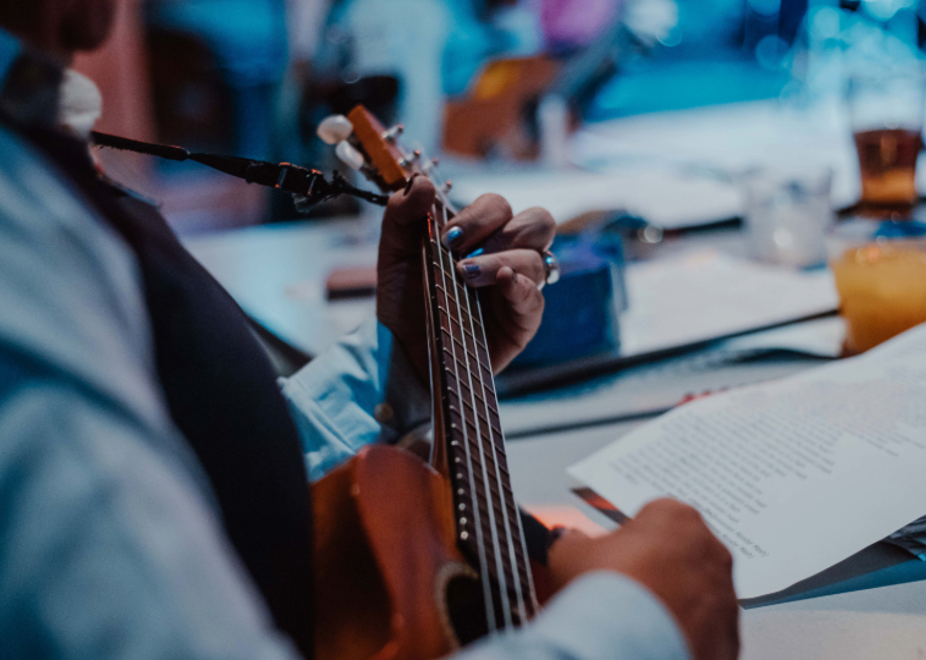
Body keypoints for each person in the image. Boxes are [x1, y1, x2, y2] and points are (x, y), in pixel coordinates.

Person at [0, 2, 739, 660]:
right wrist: (638, 626)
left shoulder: (35, 146)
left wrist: (401, 361)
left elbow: (188, 478)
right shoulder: (17, 233)